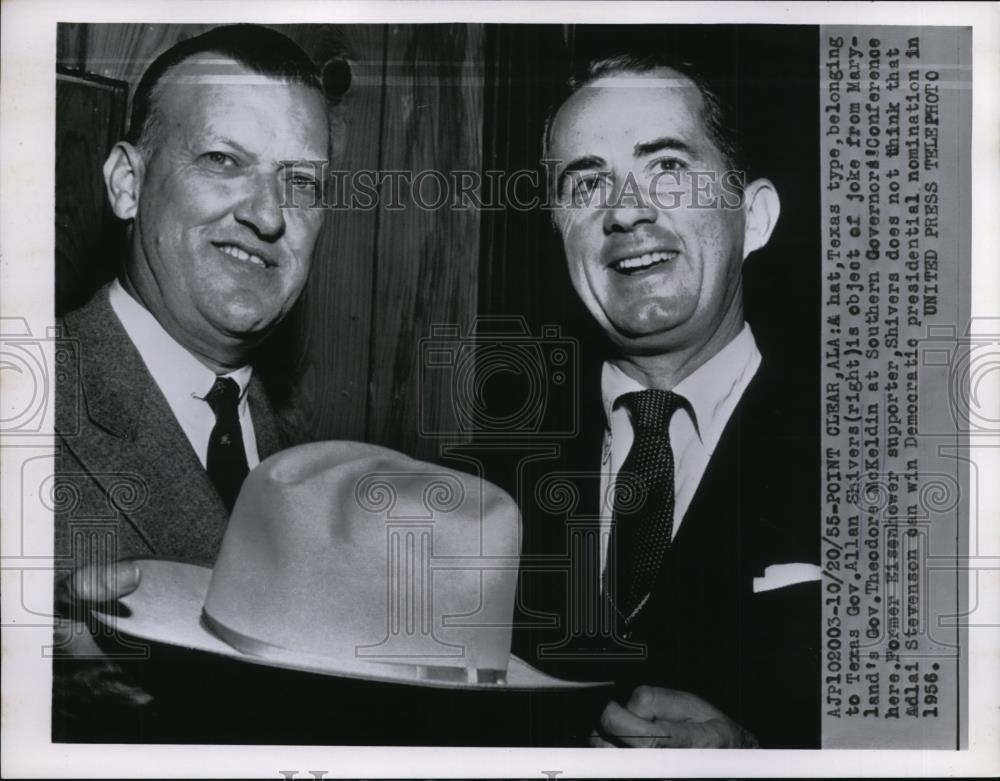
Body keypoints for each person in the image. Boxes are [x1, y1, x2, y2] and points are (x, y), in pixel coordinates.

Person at [510, 53, 821, 748]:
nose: (625, 210)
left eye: (668, 167)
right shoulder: (485, 487)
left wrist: (763, 761)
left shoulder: (885, 464)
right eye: (587, 182)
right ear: (559, 234)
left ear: (755, 218)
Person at [53, 24, 331, 738]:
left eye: (301, 182)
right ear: (128, 183)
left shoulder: (316, 474)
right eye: (222, 160)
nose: (268, 215)